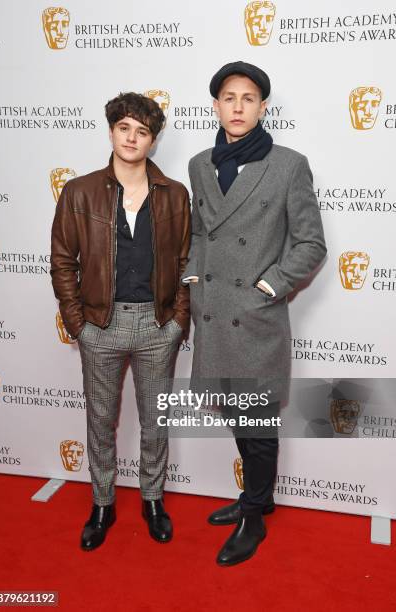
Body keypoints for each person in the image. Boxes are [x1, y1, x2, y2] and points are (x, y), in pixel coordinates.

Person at [183, 61, 327, 566]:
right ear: (217, 105)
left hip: (256, 316)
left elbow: (311, 242)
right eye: (229, 97)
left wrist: (273, 284)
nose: (238, 106)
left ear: (263, 107)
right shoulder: (201, 164)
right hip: (213, 312)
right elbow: (202, 231)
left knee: (258, 422)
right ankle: (257, 499)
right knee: (237, 416)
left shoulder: (288, 164)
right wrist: (193, 276)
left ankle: (255, 516)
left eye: (248, 98)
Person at [51, 92, 191, 550]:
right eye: (124, 128)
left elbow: (188, 261)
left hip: (157, 325)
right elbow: (62, 261)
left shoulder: (175, 194)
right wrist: (79, 324)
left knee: (155, 422)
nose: (132, 138)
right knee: (100, 420)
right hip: (101, 327)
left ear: (153, 140)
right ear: (111, 131)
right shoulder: (80, 191)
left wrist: (177, 321)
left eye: (143, 131)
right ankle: (103, 502)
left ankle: (153, 500)